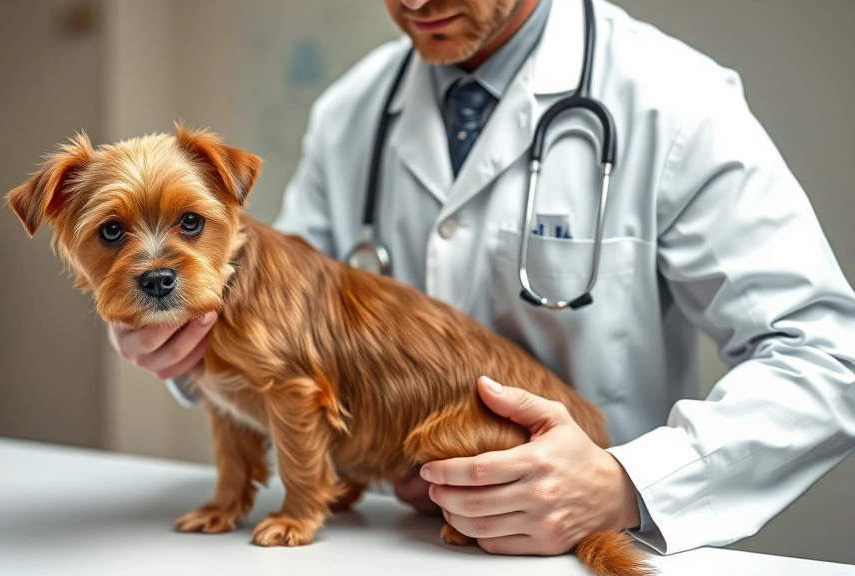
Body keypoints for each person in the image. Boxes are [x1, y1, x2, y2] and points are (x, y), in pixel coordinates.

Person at [108, 0, 855, 558]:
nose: (419, 3)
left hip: (587, 546)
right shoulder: (352, 111)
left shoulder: (677, 102)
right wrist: (180, 348)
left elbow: (827, 357)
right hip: (392, 545)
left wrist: (627, 482)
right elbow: (281, 327)